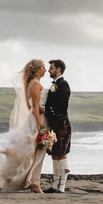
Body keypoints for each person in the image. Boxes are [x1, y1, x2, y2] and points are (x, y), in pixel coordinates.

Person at [0, 58, 49, 193]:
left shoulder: (31, 83)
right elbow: (35, 106)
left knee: (31, 152)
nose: (45, 70)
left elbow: (32, 106)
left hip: (35, 117)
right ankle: (33, 183)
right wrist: (39, 126)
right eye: (43, 67)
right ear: (36, 69)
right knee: (36, 152)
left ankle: (28, 181)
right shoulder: (35, 83)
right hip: (38, 120)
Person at [43, 59, 72, 193]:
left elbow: (62, 107)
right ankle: (55, 185)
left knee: (62, 154)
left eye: (51, 68)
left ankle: (61, 187)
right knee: (54, 154)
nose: (49, 70)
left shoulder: (63, 85)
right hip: (54, 124)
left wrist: (45, 111)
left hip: (61, 123)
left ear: (58, 69)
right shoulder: (55, 84)